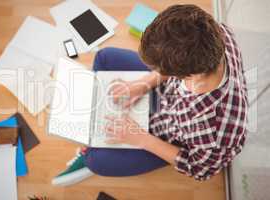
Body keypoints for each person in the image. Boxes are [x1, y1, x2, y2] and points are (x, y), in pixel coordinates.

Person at [54, 4, 248, 184]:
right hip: (165, 96)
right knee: (104, 57)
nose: (153, 68)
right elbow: (173, 64)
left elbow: (198, 168)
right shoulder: (214, 31)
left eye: (158, 67)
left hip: (165, 137)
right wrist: (141, 84)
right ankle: (98, 120)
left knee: (95, 161)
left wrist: (140, 139)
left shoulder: (218, 133)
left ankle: (91, 149)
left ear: (186, 75)